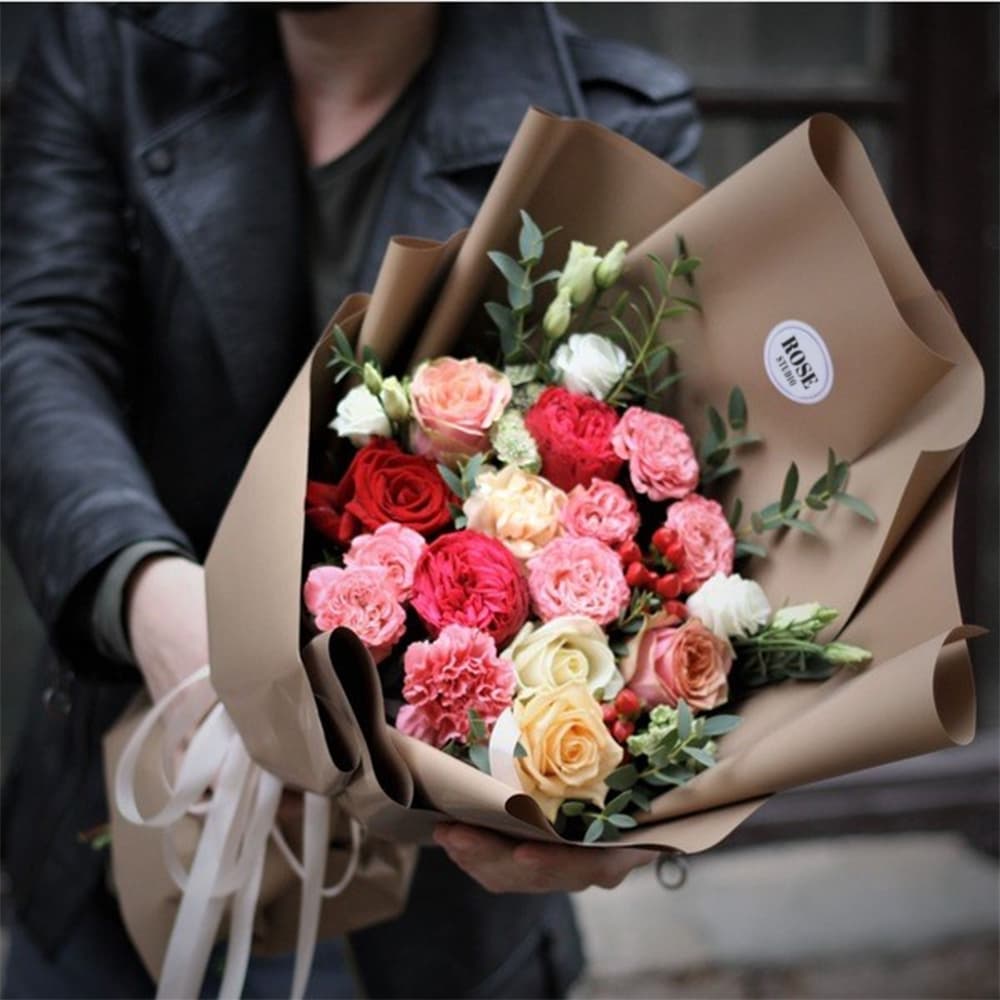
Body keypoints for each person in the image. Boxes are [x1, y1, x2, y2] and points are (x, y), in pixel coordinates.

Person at [1, 3, 701, 997]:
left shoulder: (609, 121)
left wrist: (642, 795)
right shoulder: (112, 45)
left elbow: (677, 506)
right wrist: (144, 590)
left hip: (436, 886)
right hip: (127, 801)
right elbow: (40, 339)